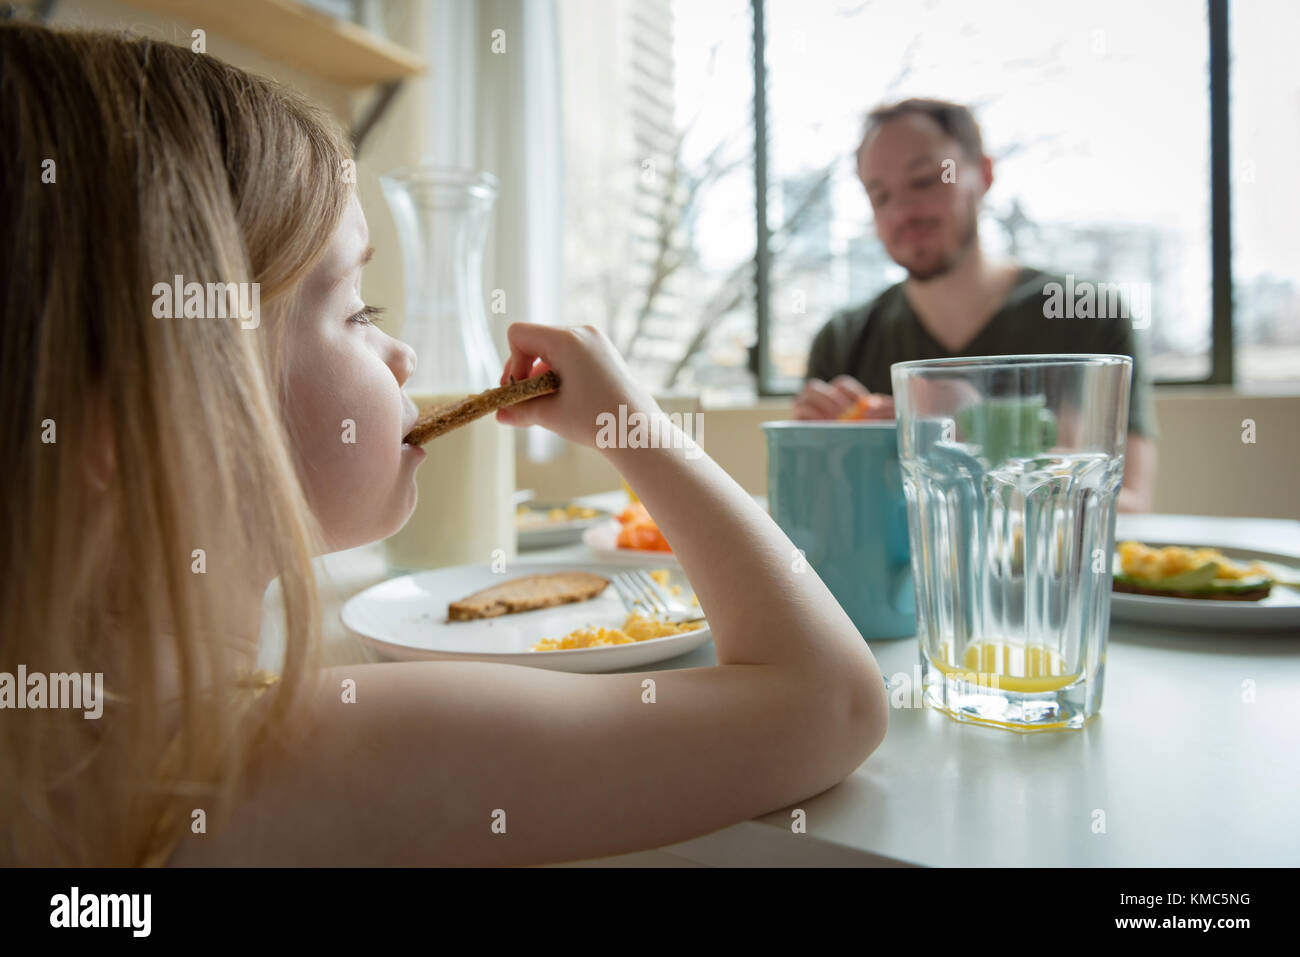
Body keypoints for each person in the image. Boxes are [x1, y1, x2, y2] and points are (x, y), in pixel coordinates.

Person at [0, 23, 887, 866]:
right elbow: (829, 700)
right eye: (358, 310)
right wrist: (639, 430)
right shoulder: (297, 756)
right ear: (151, 418)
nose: (404, 355)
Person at [795, 98, 1157, 513]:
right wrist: (811, 454)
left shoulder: (1084, 311)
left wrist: (955, 440)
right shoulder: (842, 339)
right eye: (880, 196)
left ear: (983, 175)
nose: (904, 213)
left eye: (926, 180)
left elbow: (1129, 505)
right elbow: (814, 520)